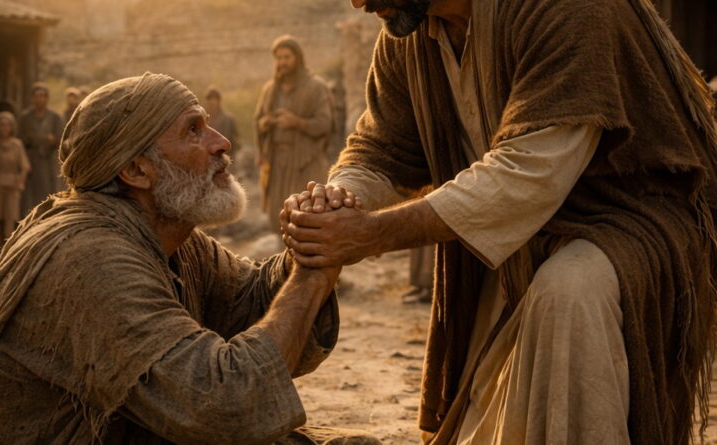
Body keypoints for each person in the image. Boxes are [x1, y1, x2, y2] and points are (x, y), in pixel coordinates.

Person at [281, 0, 717, 443]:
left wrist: (372, 234)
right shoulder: (409, 33)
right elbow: (379, 149)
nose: (357, 2)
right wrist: (337, 201)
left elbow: (528, 172)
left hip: (628, 218)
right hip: (515, 239)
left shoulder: (569, 9)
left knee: (569, 293)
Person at [0, 73, 379, 445]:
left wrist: (308, 241)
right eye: (194, 130)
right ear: (136, 171)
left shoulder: (168, 233)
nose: (221, 143)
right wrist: (314, 272)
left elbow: (247, 303)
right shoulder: (92, 258)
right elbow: (224, 404)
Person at [255, 35, 333, 233]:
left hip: (304, 163)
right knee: (278, 218)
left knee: (306, 217)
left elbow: (325, 124)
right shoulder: (270, 90)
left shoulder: (316, 87)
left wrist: (296, 122)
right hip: (277, 164)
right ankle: (285, 264)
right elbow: (259, 120)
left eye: (287, 57)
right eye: (278, 58)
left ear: (297, 58)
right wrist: (265, 124)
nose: (282, 62)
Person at [0, 111, 30, 249]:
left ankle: (7, 243)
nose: (5, 128)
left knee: (11, 215)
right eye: (2, 125)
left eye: (8, 125)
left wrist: (20, 182)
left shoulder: (17, 144)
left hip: (12, 182)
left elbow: (25, 166)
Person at [18, 81, 64, 214]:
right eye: (37, 96)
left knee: (49, 193)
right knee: (30, 195)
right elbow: (20, 139)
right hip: (31, 160)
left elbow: (61, 139)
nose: (40, 99)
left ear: (47, 98)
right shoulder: (25, 117)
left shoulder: (55, 117)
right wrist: (33, 139)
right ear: (32, 98)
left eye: (43, 96)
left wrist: (52, 140)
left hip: (48, 160)